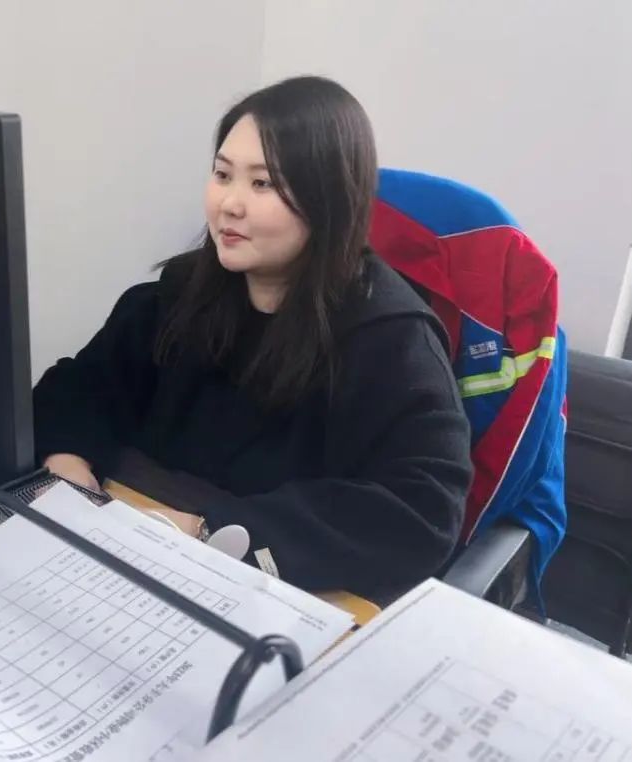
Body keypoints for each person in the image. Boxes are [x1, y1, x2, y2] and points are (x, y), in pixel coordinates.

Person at [33, 76, 472, 599]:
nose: (229, 204)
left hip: (282, 594)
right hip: (138, 554)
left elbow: (422, 514)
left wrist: (208, 531)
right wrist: (68, 464)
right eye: (222, 175)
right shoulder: (181, 293)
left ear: (330, 200)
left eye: (262, 184)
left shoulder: (391, 341)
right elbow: (79, 387)